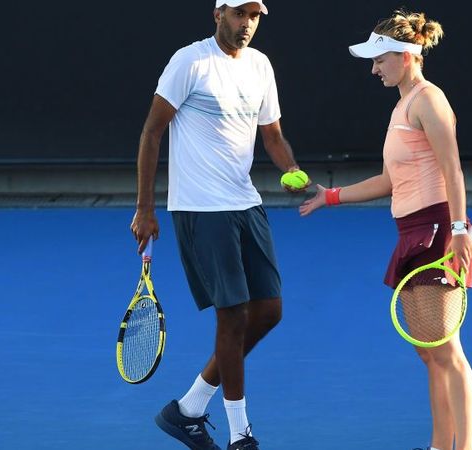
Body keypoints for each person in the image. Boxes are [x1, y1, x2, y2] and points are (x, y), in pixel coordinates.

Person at [130, 1, 309, 449]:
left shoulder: (260, 65)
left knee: (269, 311)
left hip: (245, 203)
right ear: (218, 15)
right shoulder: (189, 62)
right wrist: (145, 208)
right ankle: (239, 435)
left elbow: (272, 134)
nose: (247, 24)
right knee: (232, 316)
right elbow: (151, 132)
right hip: (200, 209)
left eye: (254, 16)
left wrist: (291, 168)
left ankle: (188, 408)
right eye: (238, 14)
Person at [299, 10, 472, 450]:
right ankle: (440, 446)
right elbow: (388, 180)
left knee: (448, 351)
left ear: (405, 56)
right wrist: (330, 196)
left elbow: (452, 168)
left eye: (380, 61)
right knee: (429, 352)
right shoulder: (402, 105)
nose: (374, 70)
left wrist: (458, 229)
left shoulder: (429, 100)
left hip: (437, 230)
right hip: (411, 233)